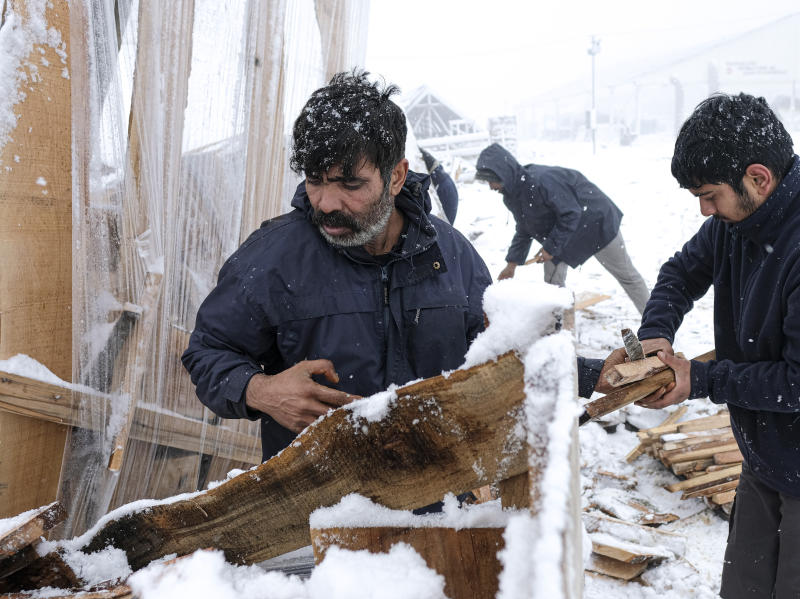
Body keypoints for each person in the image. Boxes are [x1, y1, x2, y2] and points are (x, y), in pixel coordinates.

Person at [603, 93, 800, 599]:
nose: (704, 210)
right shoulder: (739, 221)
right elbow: (681, 271)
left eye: (709, 196)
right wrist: (655, 336)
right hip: (770, 452)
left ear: (759, 177)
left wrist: (701, 378)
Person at [182, 71, 492, 462]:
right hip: (315, 508)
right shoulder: (272, 258)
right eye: (315, 180)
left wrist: (583, 374)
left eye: (349, 184)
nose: (326, 202)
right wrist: (261, 390)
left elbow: (501, 353)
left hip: (439, 503)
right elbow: (208, 351)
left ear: (395, 176)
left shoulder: (451, 256)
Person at [474, 143, 650, 314]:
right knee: (553, 287)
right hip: (563, 233)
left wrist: (550, 248)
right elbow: (524, 228)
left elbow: (571, 213)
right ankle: (559, 332)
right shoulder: (511, 195)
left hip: (596, 224)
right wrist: (511, 264)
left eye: (491, 181)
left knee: (627, 276)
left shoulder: (542, 181)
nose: (490, 187)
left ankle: (656, 326)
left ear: (503, 174)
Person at [420, 147, 459, 225]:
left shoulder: (410, 148)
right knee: (446, 228)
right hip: (443, 180)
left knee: (445, 227)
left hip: (441, 185)